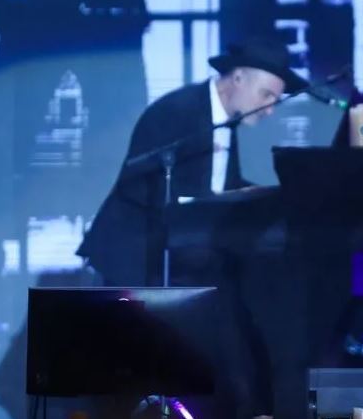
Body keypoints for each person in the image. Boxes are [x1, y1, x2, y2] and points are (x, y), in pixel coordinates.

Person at [77, 35, 306, 287]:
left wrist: (263, 196)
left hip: (183, 259)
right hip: (137, 259)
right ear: (238, 78)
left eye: (275, 100)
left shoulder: (228, 122)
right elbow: (143, 186)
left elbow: (219, 184)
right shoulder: (176, 111)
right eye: (266, 95)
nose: (270, 109)